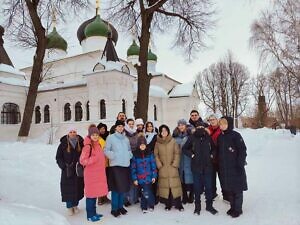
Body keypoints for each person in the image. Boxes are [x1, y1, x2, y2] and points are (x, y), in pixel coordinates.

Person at [182, 123, 218, 215]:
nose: (200, 128)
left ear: (204, 128)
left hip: (207, 167)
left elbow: (214, 149)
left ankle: (209, 206)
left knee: (209, 188)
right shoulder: (192, 137)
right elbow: (185, 148)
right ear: (196, 128)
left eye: (202, 127)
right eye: (198, 127)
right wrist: (192, 155)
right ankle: (197, 207)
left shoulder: (208, 137)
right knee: (197, 188)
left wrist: (212, 155)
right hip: (196, 167)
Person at [217, 117, 248, 218]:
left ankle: (238, 209)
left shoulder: (236, 135)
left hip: (235, 167)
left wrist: (240, 163)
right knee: (229, 189)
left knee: (237, 189)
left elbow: (242, 150)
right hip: (225, 168)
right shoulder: (220, 137)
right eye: (220, 124)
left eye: (224, 124)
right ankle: (232, 207)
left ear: (229, 124)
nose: (222, 126)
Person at [80, 124, 108, 222]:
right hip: (91, 175)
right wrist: (94, 159)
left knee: (95, 195)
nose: (95, 136)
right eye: (93, 135)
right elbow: (82, 160)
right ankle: (90, 215)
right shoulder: (88, 146)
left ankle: (94, 213)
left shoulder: (98, 144)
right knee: (91, 196)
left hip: (99, 174)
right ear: (90, 135)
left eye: (97, 134)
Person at [104, 120, 133, 217]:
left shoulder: (126, 139)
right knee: (116, 188)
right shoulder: (110, 138)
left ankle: (120, 206)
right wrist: (114, 156)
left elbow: (129, 150)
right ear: (115, 127)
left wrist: (129, 155)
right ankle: (114, 208)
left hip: (125, 165)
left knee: (123, 188)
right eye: (119, 126)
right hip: (115, 166)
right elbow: (106, 150)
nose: (120, 128)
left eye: (122, 126)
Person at [154, 124, 184, 211]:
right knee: (165, 187)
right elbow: (156, 155)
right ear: (160, 132)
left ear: (168, 131)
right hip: (163, 168)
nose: (164, 132)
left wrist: (175, 164)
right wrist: (159, 165)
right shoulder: (157, 142)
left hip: (172, 167)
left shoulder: (173, 141)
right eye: (162, 131)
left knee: (175, 186)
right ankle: (168, 204)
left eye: (165, 130)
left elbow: (177, 153)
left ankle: (179, 204)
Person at [56, 128, 84, 216]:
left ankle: (75, 205)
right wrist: (63, 167)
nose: (73, 133)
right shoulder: (63, 144)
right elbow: (58, 157)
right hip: (67, 171)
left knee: (78, 188)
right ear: (68, 133)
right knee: (68, 189)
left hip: (78, 170)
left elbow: (84, 155)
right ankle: (69, 207)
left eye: (74, 132)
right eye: (71, 132)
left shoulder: (81, 143)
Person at [131, 134, 157, 213]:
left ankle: (150, 204)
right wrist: (134, 178)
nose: (142, 147)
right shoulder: (135, 155)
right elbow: (133, 168)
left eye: (144, 145)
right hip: (140, 178)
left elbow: (153, 166)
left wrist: (154, 176)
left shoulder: (149, 154)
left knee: (147, 191)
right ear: (138, 145)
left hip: (149, 177)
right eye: (141, 145)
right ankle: (144, 206)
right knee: (143, 191)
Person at [173, 119, 194, 205]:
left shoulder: (190, 135)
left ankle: (191, 195)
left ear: (186, 126)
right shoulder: (175, 136)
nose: (181, 126)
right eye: (179, 125)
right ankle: (184, 195)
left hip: (189, 159)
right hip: (180, 159)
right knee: (182, 177)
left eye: (182, 125)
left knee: (191, 177)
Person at [207, 114, 224, 200]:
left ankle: (226, 194)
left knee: (223, 177)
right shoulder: (208, 130)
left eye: (214, 119)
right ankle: (213, 193)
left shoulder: (221, 129)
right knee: (211, 177)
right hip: (211, 158)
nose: (212, 121)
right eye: (210, 120)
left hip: (220, 158)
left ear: (217, 120)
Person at [124, 118, 139, 206]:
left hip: (135, 158)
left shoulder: (136, 134)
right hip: (127, 158)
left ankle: (134, 197)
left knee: (135, 178)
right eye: (129, 124)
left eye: (132, 124)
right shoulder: (124, 134)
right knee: (127, 179)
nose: (131, 125)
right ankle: (125, 199)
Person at [96, 123, 110, 205]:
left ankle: (105, 196)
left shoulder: (108, 137)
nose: (103, 130)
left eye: (104, 128)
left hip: (108, 162)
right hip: (100, 163)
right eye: (101, 129)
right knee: (100, 181)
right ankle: (100, 198)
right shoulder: (97, 138)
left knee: (106, 181)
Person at [144, 121, 158, 203]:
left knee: (154, 177)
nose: (149, 128)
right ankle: (147, 196)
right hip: (145, 159)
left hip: (153, 158)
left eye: (151, 126)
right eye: (148, 126)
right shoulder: (143, 136)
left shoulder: (155, 136)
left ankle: (155, 196)